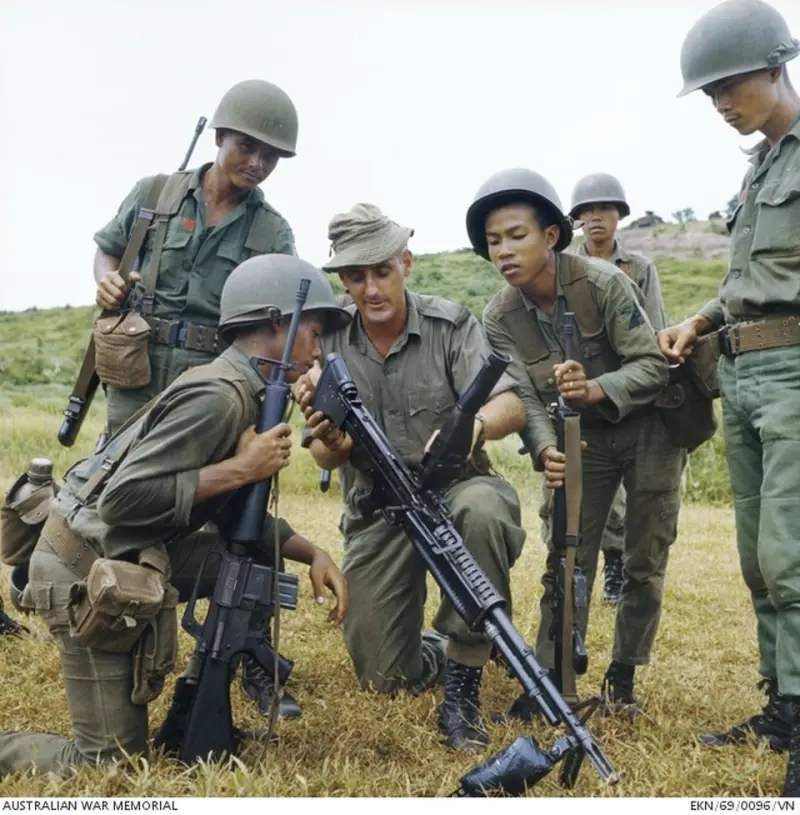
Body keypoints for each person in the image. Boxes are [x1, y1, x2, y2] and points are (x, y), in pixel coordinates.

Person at [0, 255, 349, 777]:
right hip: (80, 566)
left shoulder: (244, 391)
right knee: (111, 767)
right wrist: (240, 468)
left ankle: (201, 681)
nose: (318, 350)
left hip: (125, 547)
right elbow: (124, 500)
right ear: (279, 323)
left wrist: (312, 552)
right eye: (315, 333)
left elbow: (233, 517)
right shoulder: (219, 396)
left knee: (254, 573)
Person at [92, 78, 301, 717]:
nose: (257, 163)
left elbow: (283, 319)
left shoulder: (272, 229)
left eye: (270, 156)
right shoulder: (154, 194)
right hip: (137, 377)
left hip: (214, 388)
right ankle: (116, 617)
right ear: (220, 137)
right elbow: (106, 251)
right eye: (247, 146)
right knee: (125, 501)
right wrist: (106, 285)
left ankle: (248, 654)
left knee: (232, 509)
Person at [298, 203, 528, 751]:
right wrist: (333, 441)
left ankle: (464, 680)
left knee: (482, 508)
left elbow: (512, 406)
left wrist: (472, 427)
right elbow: (324, 459)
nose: (372, 288)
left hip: (455, 488)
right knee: (383, 678)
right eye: (356, 276)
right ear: (343, 281)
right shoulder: (326, 344)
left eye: (382, 270)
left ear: (406, 261)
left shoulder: (450, 324)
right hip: (379, 508)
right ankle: (440, 645)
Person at [473, 168, 684, 718]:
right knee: (566, 556)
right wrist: (546, 451)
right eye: (494, 241)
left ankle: (624, 674)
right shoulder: (498, 317)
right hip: (579, 440)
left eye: (516, 235)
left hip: (648, 431)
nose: (504, 251)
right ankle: (550, 678)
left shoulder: (605, 283)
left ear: (550, 236)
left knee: (643, 558)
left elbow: (653, 368)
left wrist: (594, 388)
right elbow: (522, 396)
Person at [661, 0, 800, 795]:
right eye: (708, 92)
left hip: (792, 377)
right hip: (741, 374)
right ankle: (784, 701)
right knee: (757, 557)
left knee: (793, 554)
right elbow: (749, 282)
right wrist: (699, 318)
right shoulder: (763, 165)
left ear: (776, 65)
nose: (719, 103)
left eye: (728, 85)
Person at [566, 172, 670, 606]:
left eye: (604, 210)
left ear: (619, 216)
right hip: (576, 391)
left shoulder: (639, 269)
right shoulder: (564, 265)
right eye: (587, 212)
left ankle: (615, 566)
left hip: (627, 391)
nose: (595, 219)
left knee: (626, 497)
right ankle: (575, 575)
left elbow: (653, 333)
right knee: (570, 497)